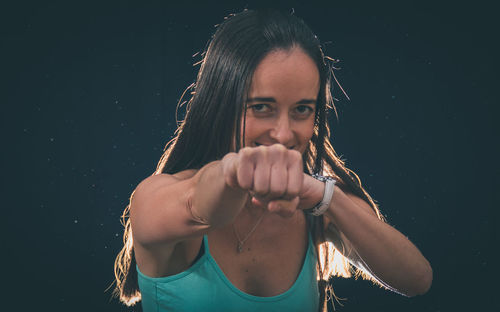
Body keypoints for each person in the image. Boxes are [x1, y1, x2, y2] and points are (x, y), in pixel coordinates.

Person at [112, 8, 432, 312]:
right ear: (220, 104)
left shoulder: (315, 208)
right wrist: (234, 173)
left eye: (302, 110)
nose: (282, 134)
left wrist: (326, 196)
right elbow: (202, 205)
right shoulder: (154, 201)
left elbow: (416, 280)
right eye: (261, 107)